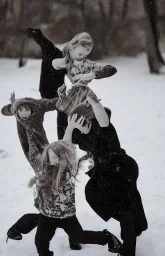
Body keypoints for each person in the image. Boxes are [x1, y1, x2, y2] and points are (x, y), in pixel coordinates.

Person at [63, 89, 148, 256]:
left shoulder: (102, 126)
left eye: (85, 120)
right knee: (102, 199)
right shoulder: (81, 136)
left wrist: (94, 103)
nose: (84, 124)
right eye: (80, 123)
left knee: (128, 208)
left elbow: (102, 119)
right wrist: (71, 126)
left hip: (121, 170)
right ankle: (131, 224)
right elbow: (65, 145)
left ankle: (129, 248)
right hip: (103, 175)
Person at [1, 92, 81, 250]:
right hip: (36, 157)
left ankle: (22, 226)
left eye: (26, 110)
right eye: (20, 111)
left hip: (48, 153)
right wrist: (12, 106)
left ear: (31, 109)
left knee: (58, 193)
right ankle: (72, 235)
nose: (24, 113)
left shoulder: (38, 106)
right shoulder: (17, 111)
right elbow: (4, 111)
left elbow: (53, 102)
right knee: (54, 196)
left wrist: (67, 99)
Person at [27, 139, 122, 256]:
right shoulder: (43, 173)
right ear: (48, 158)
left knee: (80, 237)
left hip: (67, 216)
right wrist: (39, 203)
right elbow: (39, 192)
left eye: (60, 157)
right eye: (53, 157)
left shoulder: (68, 172)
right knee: (40, 242)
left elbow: (74, 154)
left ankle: (107, 238)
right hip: (47, 216)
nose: (57, 160)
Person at [52, 32, 117, 115]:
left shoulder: (86, 65)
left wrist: (90, 75)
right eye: (80, 54)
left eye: (85, 55)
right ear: (72, 47)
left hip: (81, 102)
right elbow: (53, 63)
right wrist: (64, 63)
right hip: (61, 102)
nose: (82, 57)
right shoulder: (62, 56)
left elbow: (111, 69)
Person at [25, 27, 68, 140]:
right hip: (51, 93)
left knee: (62, 111)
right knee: (62, 110)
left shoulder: (55, 53)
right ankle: (62, 139)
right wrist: (36, 34)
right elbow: (44, 43)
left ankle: (62, 140)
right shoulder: (55, 53)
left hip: (50, 93)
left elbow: (44, 42)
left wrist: (36, 34)